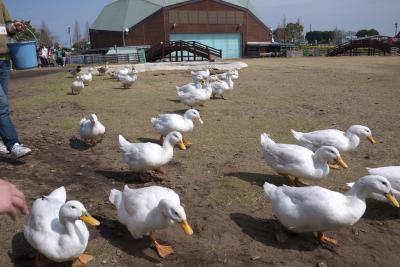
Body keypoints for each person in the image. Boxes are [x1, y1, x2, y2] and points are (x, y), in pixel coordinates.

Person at [0, 0, 32, 159]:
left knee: (2, 104)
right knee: (2, 105)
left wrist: (14, 28)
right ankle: (13, 145)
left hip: (4, 60)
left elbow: (6, 29)